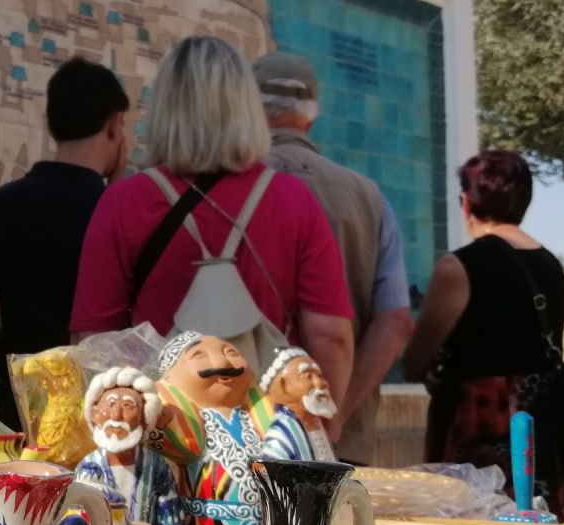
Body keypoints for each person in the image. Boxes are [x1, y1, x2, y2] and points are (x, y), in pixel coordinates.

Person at [70, 37, 354, 401]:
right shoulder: (294, 200)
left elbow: (94, 344)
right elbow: (332, 336)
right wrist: (322, 426)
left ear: (166, 108)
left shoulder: (123, 202)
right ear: (246, 108)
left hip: (166, 433)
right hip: (271, 433)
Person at [254, 52, 414, 463]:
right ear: (311, 115)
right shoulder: (370, 199)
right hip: (343, 442)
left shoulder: (227, 188)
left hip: (245, 439)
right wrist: (336, 413)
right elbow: (395, 321)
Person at [402, 150, 564, 517]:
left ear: (466, 202)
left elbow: (415, 362)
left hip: (477, 431)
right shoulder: (551, 266)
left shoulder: (459, 266)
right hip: (540, 428)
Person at [0, 57, 129, 430]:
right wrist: (122, 191)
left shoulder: (3, 205)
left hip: (18, 412)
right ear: (114, 125)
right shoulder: (112, 212)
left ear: (51, 124)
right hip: (95, 417)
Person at [153, 331, 313, 525]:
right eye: (199, 355)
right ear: (171, 376)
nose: (223, 362)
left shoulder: (275, 421)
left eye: (232, 353)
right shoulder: (172, 420)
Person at [74, 366, 180, 525]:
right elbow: (77, 512)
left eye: (128, 406)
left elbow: (171, 514)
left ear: (145, 417)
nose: (116, 416)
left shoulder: (156, 466)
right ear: (95, 414)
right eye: (111, 405)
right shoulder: (89, 466)